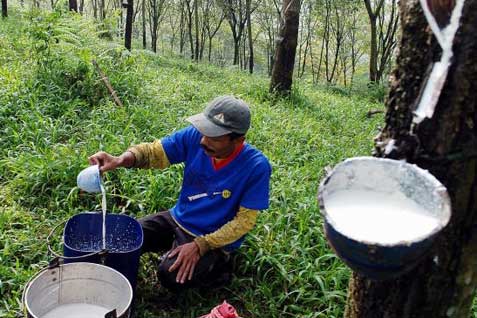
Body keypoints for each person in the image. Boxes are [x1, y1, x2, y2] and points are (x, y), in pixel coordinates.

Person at [88, 95, 272, 291]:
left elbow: (244, 222)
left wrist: (202, 245)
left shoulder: (256, 167)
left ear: (238, 140)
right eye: (204, 131)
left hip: (211, 237)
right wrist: (119, 160)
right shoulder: (194, 137)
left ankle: (218, 267)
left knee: (171, 276)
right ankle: (175, 246)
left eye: (214, 137)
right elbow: (154, 153)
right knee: (124, 237)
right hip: (178, 218)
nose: (203, 141)